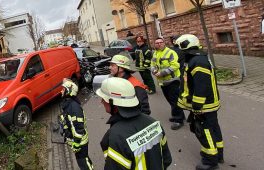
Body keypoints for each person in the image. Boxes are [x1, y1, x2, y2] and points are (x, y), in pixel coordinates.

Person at [96, 77, 172, 170]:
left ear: (114, 103)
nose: (102, 101)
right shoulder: (154, 123)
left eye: (104, 98)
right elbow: (167, 160)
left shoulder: (116, 136)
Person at [175, 34, 224, 170]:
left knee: (204, 130)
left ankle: (210, 160)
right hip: (208, 104)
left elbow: (202, 86)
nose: (179, 51)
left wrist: (197, 105)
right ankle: (218, 154)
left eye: (180, 48)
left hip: (204, 106)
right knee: (213, 127)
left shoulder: (197, 61)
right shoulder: (197, 58)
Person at [151, 37, 185, 130]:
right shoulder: (155, 53)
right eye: (156, 43)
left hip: (172, 81)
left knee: (174, 101)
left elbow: (175, 65)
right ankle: (179, 115)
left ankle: (178, 120)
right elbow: (153, 64)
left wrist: (162, 73)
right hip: (163, 82)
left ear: (164, 43)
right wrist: (153, 70)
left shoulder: (170, 52)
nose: (159, 44)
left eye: (160, 42)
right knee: (170, 100)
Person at [59, 79, 94, 170]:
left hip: (80, 142)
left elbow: (79, 128)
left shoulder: (74, 107)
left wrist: (76, 144)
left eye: (63, 89)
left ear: (69, 91)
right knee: (84, 160)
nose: (61, 91)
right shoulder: (69, 104)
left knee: (83, 163)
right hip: (77, 142)